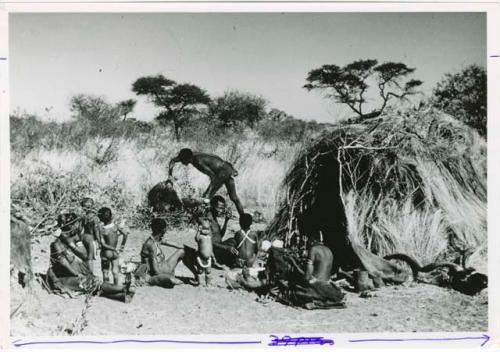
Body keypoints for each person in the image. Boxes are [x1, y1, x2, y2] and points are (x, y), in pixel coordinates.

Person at [47, 213, 134, 302]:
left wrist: (72, 245)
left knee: (93, 282)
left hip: (74, 274)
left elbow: (85, 255)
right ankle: (122, 289)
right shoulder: (56, 244)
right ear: (69, 226)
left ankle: (121, 296)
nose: (77, 226)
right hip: (63, 278)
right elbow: (64, 264)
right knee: (91, 282)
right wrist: (77, 274)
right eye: (75, 224)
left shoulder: (74, 237)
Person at [168, 148, 245, 216]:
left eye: (182, 160)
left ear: (187, 158)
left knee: (206, 197)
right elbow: (173, 160)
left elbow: (213, 177)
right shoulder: (190, 155)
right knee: (234, 198)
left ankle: (205, 218)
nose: (181, 162)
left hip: (222, 173)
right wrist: (170, 175)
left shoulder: (198, 162)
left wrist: (209, 192)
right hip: (226, 167)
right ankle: (244, 218)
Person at [136, 218, 187, 288]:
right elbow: (155, 270)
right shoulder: (151, 245)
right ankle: (166, 278)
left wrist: (188, 248)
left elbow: (176, 245)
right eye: (166, 229)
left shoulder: (157, 239)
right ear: (163, 230)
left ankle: (197, 275)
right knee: (170, 280)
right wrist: (167, 275)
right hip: (155, 273)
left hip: (164, 267)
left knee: (183, 251)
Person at [97, 207, 129, 285]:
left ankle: (106, 288)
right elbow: (125, 234)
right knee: (115, 272)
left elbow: (103, 244)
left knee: (105, 271)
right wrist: (121, 247)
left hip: (106, 253)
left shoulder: (102, 230)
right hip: (115, 253)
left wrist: (113, 248)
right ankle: (116, 286)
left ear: (100, 218)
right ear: (111, 216)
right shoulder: (115, 226)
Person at [79, 197, 101, 274]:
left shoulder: (83, 217)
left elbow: (80, 228)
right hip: (91, 239)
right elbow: (96, 231)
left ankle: (86, 272)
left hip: (84, 237)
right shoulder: (95, 218)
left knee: (85, 257)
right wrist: (99, 241)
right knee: (90, 258)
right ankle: (91, 274)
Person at [194, 219, 217, 286]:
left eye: (208, 229)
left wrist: (213, 256)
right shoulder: (200, 237)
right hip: (201, 257)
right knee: (200, 271)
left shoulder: (209, 238)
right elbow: (196, 239)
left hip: (208, 258)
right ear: (200, 228)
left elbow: (211, 248)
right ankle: (201, 283)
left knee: (208, 271)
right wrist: (198, 231)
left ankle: (208, 283)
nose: (206, 231)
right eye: (204, 229)